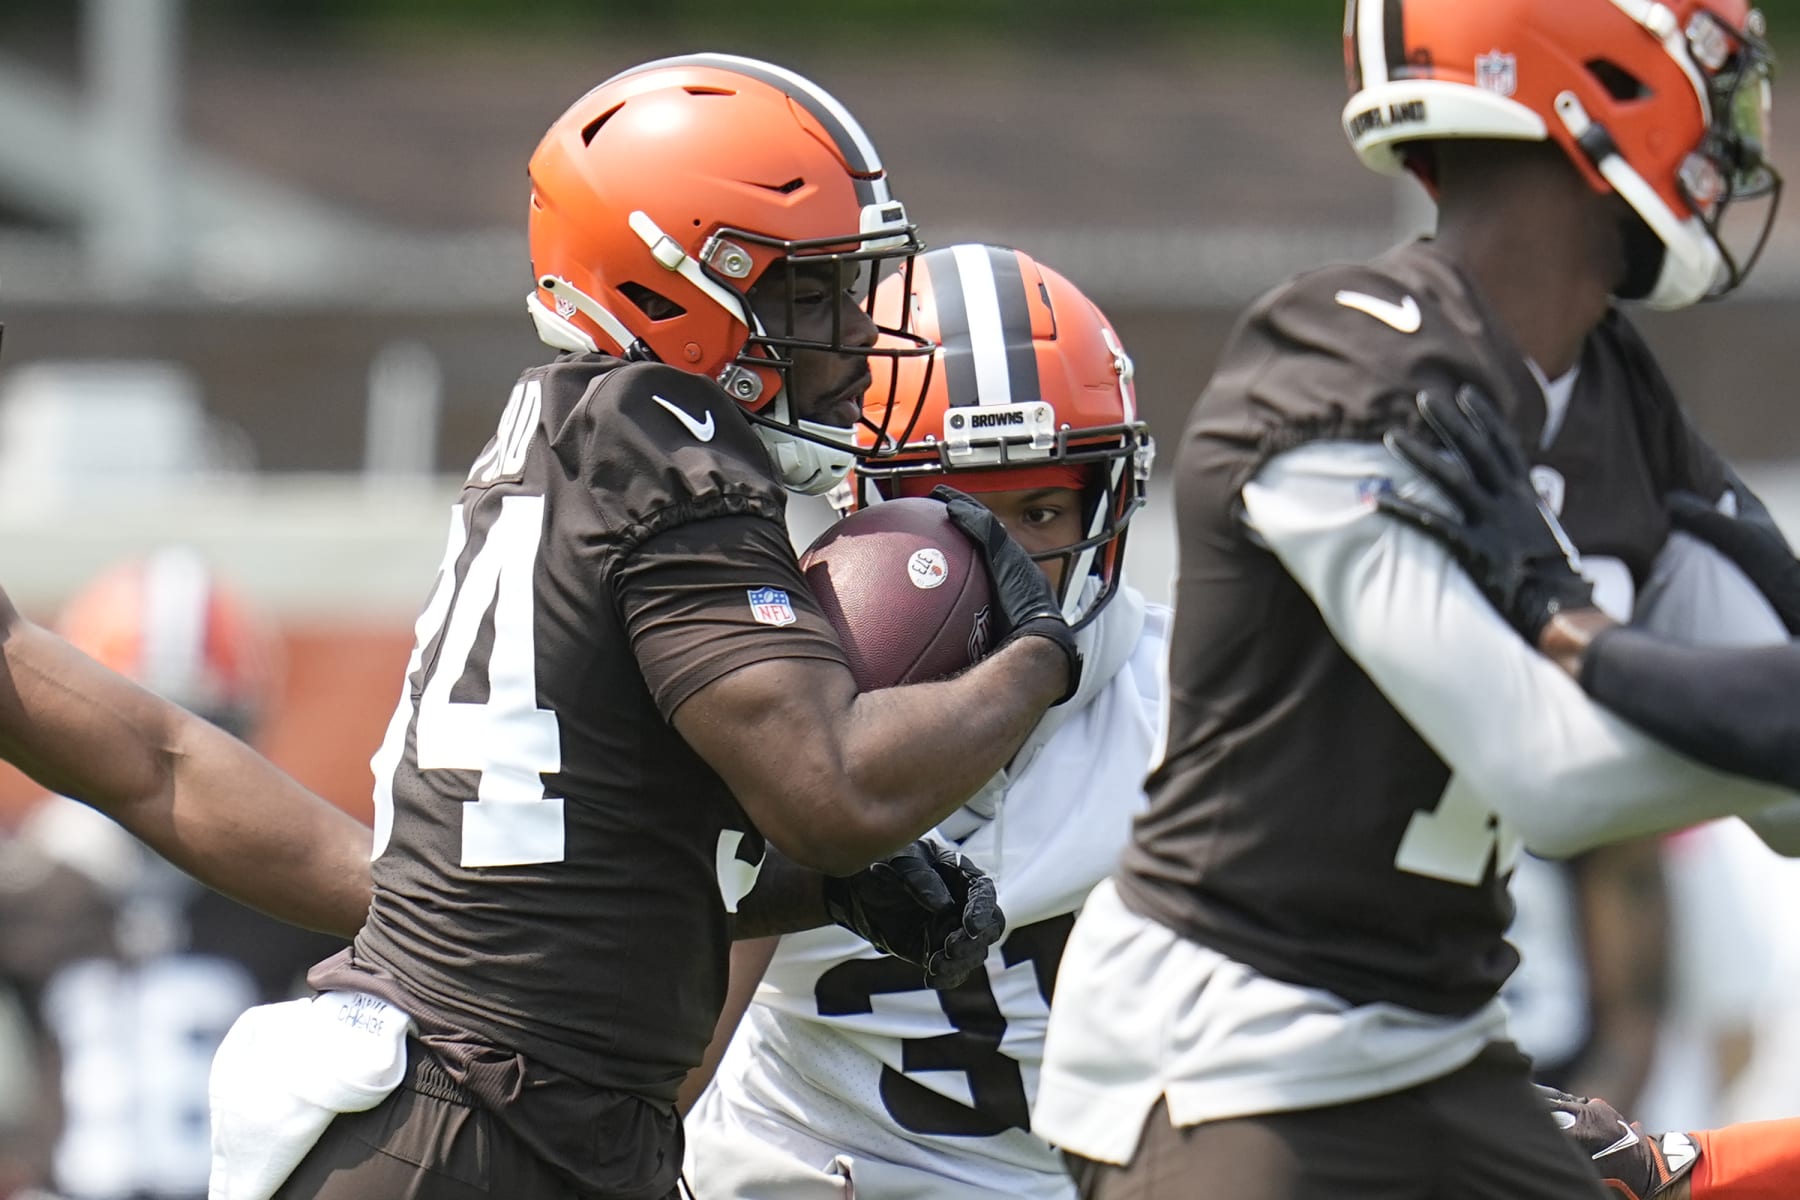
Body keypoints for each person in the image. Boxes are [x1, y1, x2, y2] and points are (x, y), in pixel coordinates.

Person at [203, 55, 1082, 1200]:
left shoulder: (563, 429)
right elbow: (831, 790)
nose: (855, 336)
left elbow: (589, 851)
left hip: (479, 1105)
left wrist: (825, 889)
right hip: (493, 1118)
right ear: (683, 284)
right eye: (810, 293)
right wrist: (1035, 660)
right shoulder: (665, 435)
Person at [1032, 3, 1800, 1198]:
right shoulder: (1344, 357)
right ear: (1591, 83)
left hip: (1445, 1039)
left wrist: (1571, 623)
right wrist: (1682, 696)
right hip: (1233, 1039)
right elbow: (1551, 776)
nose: (1734, 128)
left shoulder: (1612, 389)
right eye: (1706, 78)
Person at [680, 243, 1161, 1199]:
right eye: (950, 516)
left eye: (1038, 512)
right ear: (862, 507)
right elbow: (661, 1071)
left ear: (1110, 502)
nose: (1004, 561)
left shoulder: (1195, 710)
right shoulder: (773, 714)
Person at [0, 549, 349, 1200]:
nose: (164, 774)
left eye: (211, 732)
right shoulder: (31, 887)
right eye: (124, 737)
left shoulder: (284, 896)